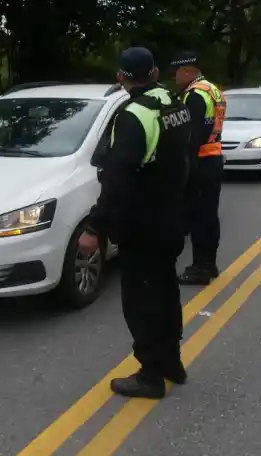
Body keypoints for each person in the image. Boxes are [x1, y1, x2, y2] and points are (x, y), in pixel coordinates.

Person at [78, 46, 192, 399]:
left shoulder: (133, 115)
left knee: (142, 302)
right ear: (156, 73)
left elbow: (118, 179)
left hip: (144, 224)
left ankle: (150, 375)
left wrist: (94, 228)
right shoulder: (173, 103)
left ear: (121, 77)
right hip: (173, 216)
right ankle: (172, 363)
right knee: (166, 295)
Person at [170, 50, 225, 286]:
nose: (173, 78)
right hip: (213, 156)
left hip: (200, 160)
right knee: (209, 216)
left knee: (199, 218)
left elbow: (191, 136)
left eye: (175, 73)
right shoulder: (211, 89)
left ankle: (200, 268)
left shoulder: (194, 95)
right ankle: (209, 263)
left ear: (186, 71)